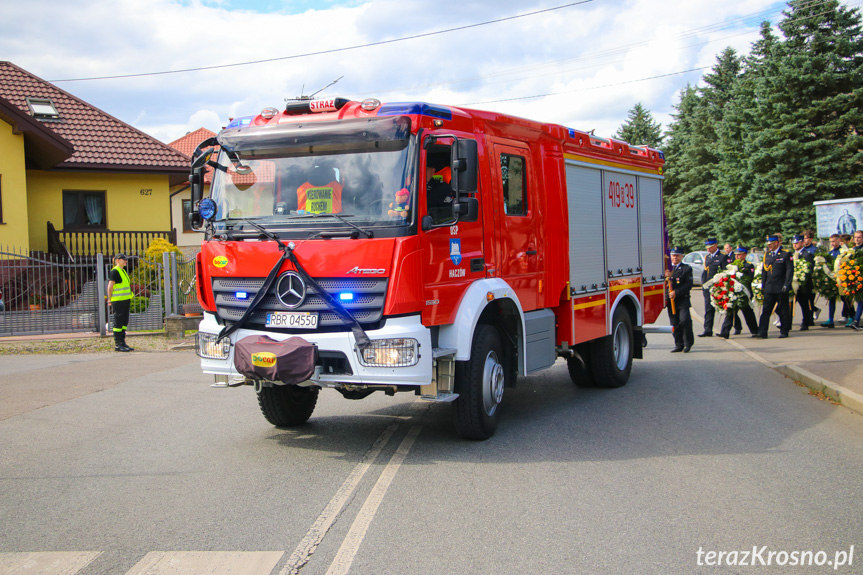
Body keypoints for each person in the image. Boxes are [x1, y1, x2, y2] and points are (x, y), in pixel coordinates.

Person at [718, 246, 760, 338]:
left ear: (744, 255)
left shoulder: (749, 265)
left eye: (739, 255)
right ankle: (725, 332)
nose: (737, 257)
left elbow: (749, 279)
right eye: (736, 255)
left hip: (744, 293)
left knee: (748, 313)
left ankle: (755, 331)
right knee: (730, 312)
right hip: (733, 292)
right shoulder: (732, 265)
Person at [758, 234, 794, 339]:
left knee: (783, 310)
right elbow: (764, 272)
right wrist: (763, 285)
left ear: (777, 243)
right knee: (766, 311)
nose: (769, 245)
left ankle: (784, 331)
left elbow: (789, 271)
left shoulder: (785, 254)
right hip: (769, 287)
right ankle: (763, 332)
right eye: (768, 244)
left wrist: (787, 284)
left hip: (780, 286)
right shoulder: (767, 255)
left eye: (772, 243)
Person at [665, 246, 694, 353]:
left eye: (677, 255)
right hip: (671, 301)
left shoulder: (686, 269)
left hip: (682, 300)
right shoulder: (667, 270)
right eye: (673, 255)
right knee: (675, 323)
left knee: (685, 320)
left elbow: (688, 285)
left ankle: (688, 343)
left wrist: (676, 292)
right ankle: (678, 344)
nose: (675, 257)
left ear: (681, 256)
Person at [698, 237, 728, 337]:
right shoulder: (708, 257)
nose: (708, 249)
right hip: (708, 288)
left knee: (727, 309)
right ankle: (707, 330)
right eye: (707, 247)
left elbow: (727, 272)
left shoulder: (723, 256)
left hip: (719, 288)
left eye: (710, 247)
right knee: (708, 309)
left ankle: (726, 330)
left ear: (716, 245)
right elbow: (705, 273)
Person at [107, 253, 134, 352]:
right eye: (124, 259)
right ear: (117, 260)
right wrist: (109, 299)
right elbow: (110, 287)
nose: (126, 261)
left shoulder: (123, 271)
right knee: (118, 322)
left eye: (126, 259)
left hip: (125, 300)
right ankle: (118, 344)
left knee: (124, 321)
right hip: (118, 301)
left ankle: (123, 342)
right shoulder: (115, 271)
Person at [791, 234, 815, 330]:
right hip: (793, 284)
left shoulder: (807, 254)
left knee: (804, 304)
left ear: (802, 242)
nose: (795, 245)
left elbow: (809, 269)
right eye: (793, 243)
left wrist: (801, 276)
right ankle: (787, 322)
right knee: (790, 304)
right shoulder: (792, 255)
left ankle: (806, 322)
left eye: (797, 243)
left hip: (804, 285)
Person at [821, 234, 844, 328]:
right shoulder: (830, 252)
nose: (832, 243)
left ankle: (851, 316)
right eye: (831, 241)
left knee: (845, 298)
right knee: (831, 299)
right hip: (832, 278)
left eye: (834, 241)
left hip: (841, 278)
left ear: (839, 240)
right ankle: (830, 319)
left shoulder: (842, 251)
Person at [802, 229, 820, 320]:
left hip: (812, 276)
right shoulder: (802, 249)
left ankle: (810, 316)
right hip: (802, 277)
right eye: (804, 238)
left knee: (810, 298)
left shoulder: (815, 250)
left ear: (811, 239)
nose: (805, 240)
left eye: (807, 238)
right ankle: (813, 312)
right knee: (803, 299)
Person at [851, 230, 863, 331]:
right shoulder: (853, 250)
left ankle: (856, 321)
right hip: (857, 279)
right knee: (860, 301)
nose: (857, 239)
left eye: (859, 237)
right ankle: (856, 321)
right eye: (856, 237)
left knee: (860, 301)